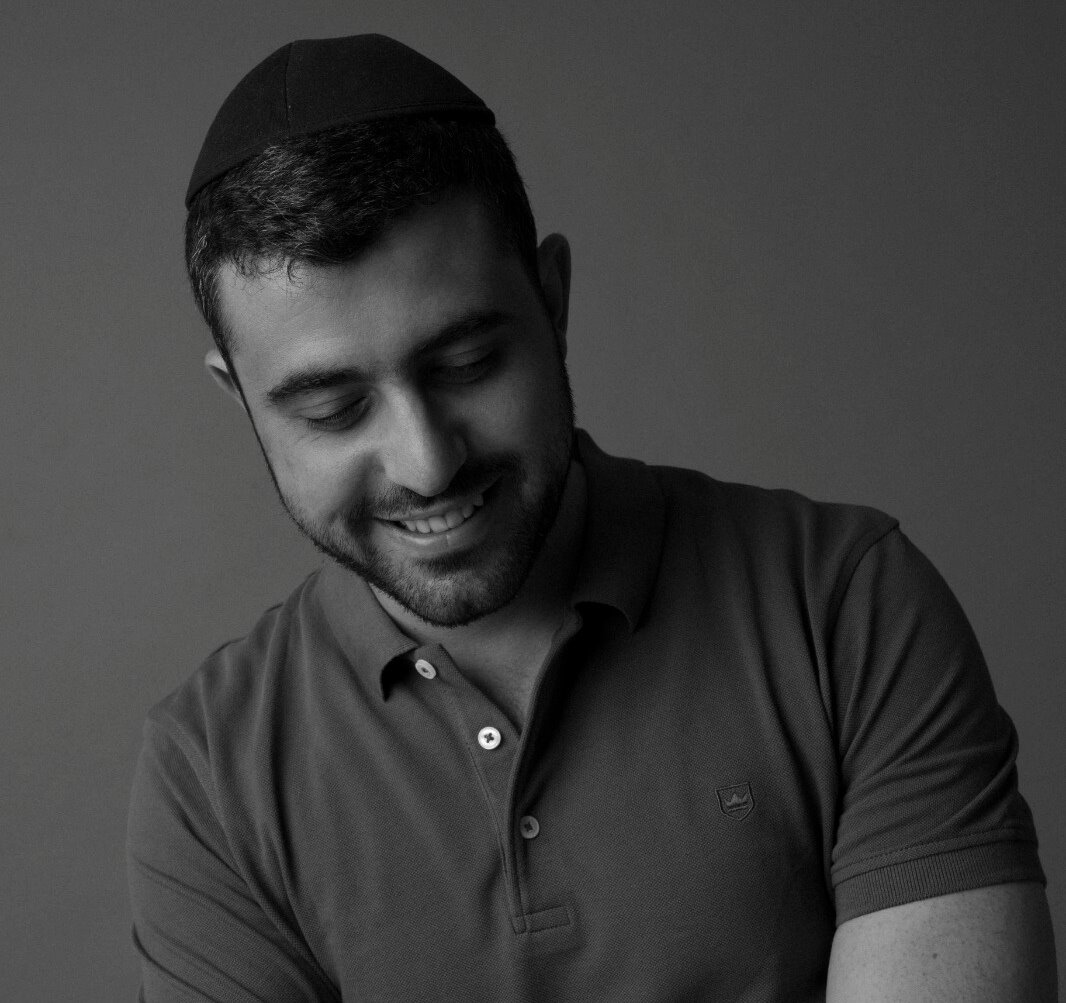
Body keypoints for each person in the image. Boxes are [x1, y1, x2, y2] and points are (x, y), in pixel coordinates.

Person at [126, 33, 1057, 1001]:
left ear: (554, 301)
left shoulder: (845, 606)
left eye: (469, 365)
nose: (427, 460)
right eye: (333, 409)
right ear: (241, 399)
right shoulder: (211, 774)